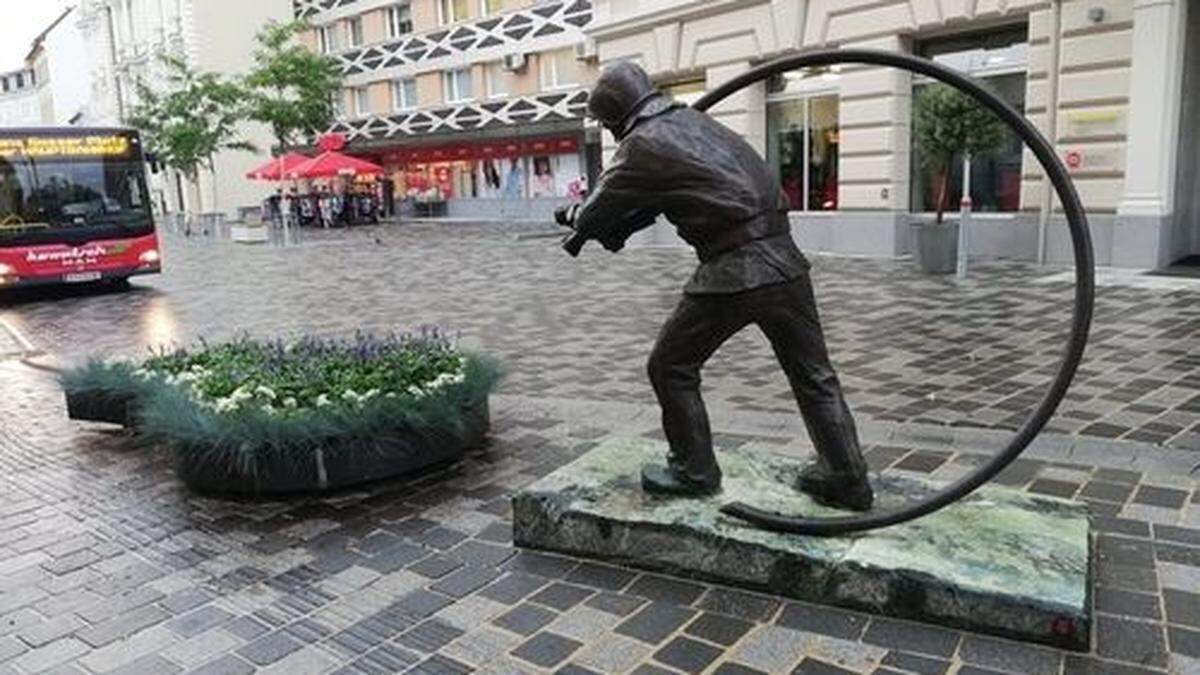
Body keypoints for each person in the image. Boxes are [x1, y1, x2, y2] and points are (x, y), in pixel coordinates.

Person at [557, 61, 872, 511]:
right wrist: (617, 227)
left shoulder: (642, 144)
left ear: (616, 117)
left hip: (736, 268)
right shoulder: (695, 121)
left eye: (608, 126)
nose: (610, 134)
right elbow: (672, 197)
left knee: (670, 366)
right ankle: (847, 479)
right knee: (814, 374)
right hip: (786, 260)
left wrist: (575, 216)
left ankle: (694, 472)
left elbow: (594, 214)